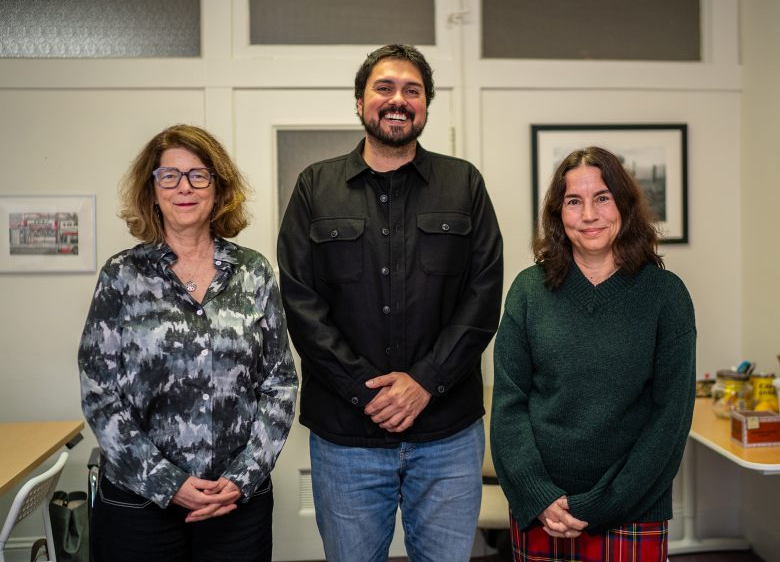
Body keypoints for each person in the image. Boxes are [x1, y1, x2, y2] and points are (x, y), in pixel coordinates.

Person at [277, 44, 503, 561]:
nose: (398, 99)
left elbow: (484, 295)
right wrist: (366, 391)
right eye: (384, 88)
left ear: (425, 105)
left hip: (447, 434)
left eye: (412, 90)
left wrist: (425, 381)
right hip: (345, 439)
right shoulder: (315, 187)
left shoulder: (464, 183)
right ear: (360, 102)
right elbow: (300, 302)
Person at [79, 124, 298, 562]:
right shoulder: (122, 275)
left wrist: (243, 477)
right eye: (170, 176)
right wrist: (167, 483)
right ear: (153, 188)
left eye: (199, 175)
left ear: (218, 189)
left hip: (235, 502)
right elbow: (100, 393)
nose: (185, 187)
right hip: (139, 503)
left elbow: (280, 384)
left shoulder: (252, 272)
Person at [491, 146, 696, 561]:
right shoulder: (528, 292)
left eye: (602, 198)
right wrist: (540, 497)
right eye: (573, 201)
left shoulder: (666, 295)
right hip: (543, 510)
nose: (589, 215)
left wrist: (604, 503)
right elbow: (509, 405)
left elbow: (671, 417)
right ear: (557, 214)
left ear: (623, 205)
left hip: (633, 507)